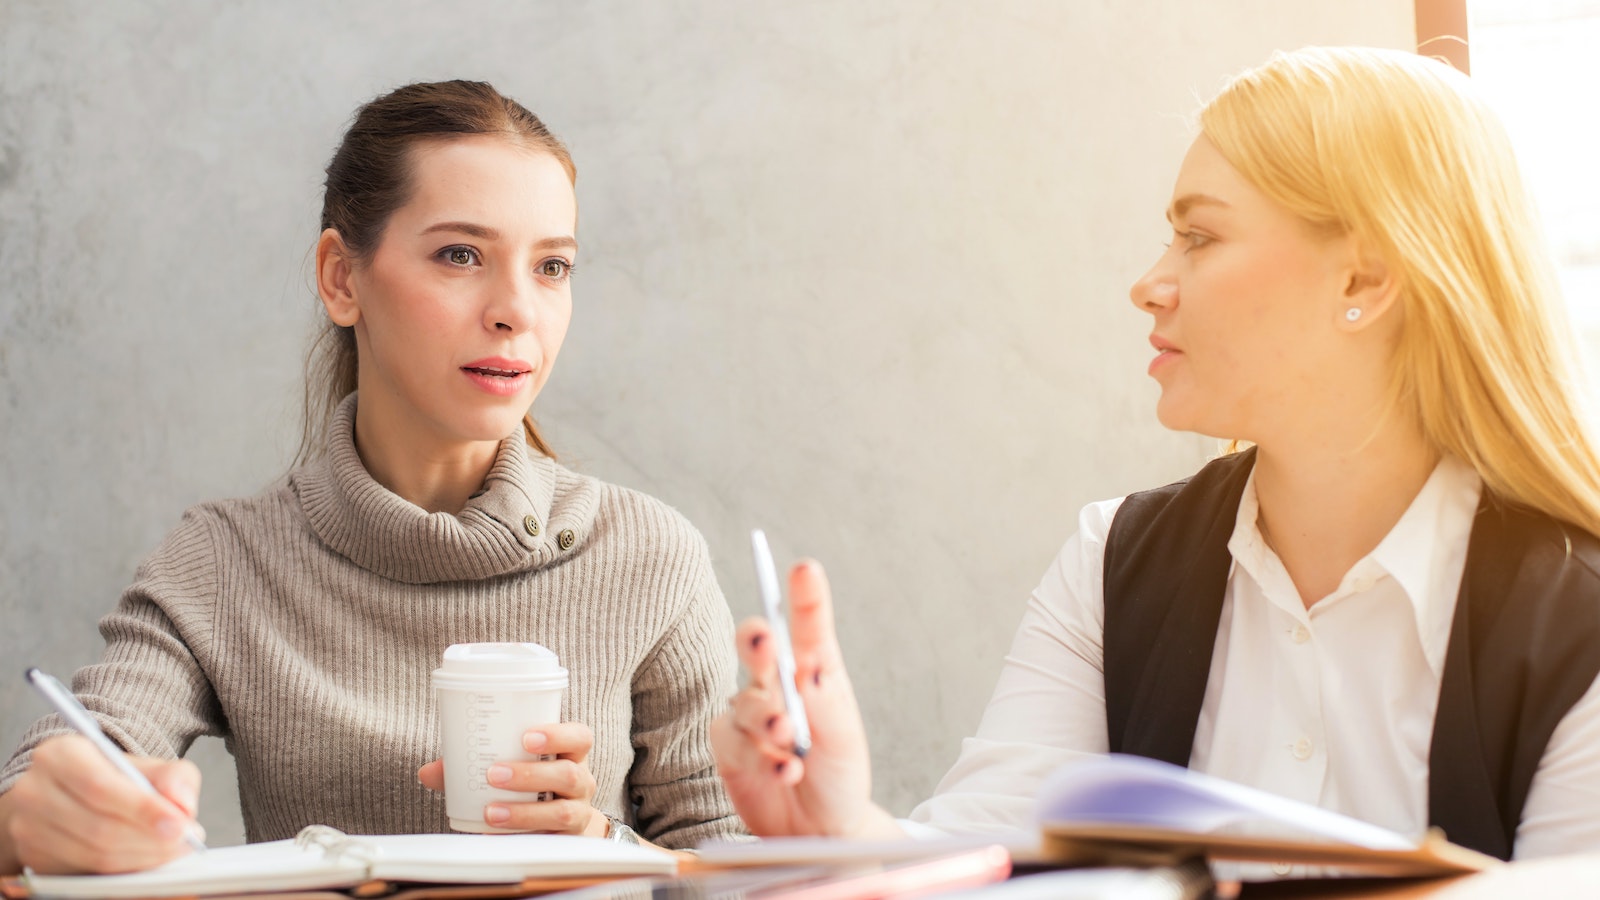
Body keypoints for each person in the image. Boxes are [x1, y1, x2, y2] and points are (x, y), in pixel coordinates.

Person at [711, 46, 1600, 862]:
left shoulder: (1576, 620)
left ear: (1364, 280)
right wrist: (843, 827)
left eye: (1200, 236)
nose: (1149, 284)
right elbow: (990, 864)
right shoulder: (1114, 562)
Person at [0, 80, 743, 875]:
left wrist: (607, 851)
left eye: (552, 266)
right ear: (341, 279)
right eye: (461, 254)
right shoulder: (223, 562)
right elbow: (64, 768)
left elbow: (744, 868)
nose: (516, 310)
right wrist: (40, 818)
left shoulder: (651, 557)